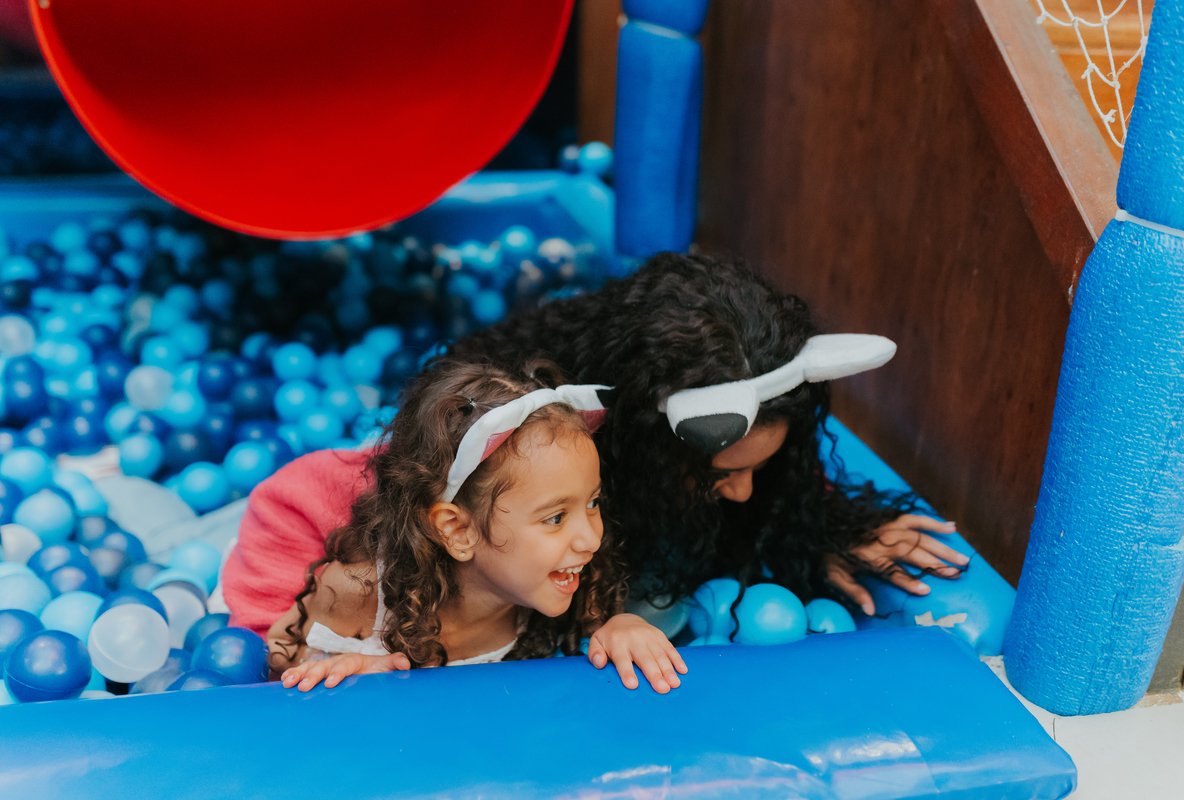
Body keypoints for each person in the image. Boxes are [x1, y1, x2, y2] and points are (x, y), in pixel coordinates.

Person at [446, 252, 969, 617]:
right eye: (724, 472)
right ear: (647, 446)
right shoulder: (550, 442)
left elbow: (768, 505)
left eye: (759, 470)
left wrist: (821, 536)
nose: (743, 493)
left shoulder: (727, 470)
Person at [264, 359, 687, 693]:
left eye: (593, 502)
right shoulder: (358, 593)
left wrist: (622, 626)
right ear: (457, 530)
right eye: (555, 517)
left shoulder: (563, 582)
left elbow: (601, 630)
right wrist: (350, 674)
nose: (591, 538)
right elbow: (276, 666)